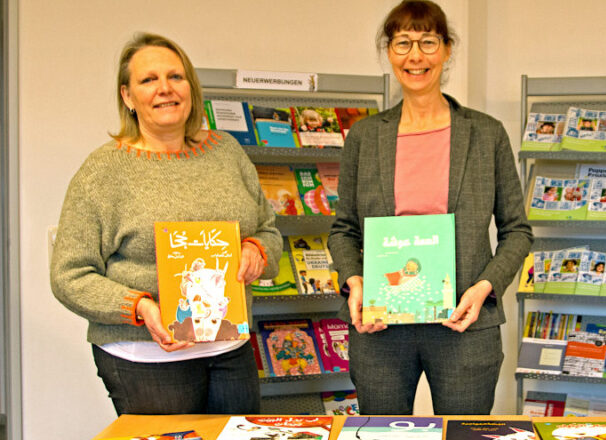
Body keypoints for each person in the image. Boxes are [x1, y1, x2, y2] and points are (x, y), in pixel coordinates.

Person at [49, 33, 282, 415]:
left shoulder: (226, 152)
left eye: (175, 77)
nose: (165, 89)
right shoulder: (103, 171)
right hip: (144, 358)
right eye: (148, 80)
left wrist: (257, 251)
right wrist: (139, 306)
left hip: (229, 348)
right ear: (127, 96)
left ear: (190, 87)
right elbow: (69, 275)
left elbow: (267, 230)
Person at [327, 0, 532, 415]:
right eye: (403, 43)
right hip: (381, 327)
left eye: (427, 42)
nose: (415, 56)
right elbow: (343, 229)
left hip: (464, 323)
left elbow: (517, 230)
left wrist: (485, 288)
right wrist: (355, 281)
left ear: (447, 49)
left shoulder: (486, 134)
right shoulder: (365, 138)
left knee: (463, 435)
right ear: (389, 51)